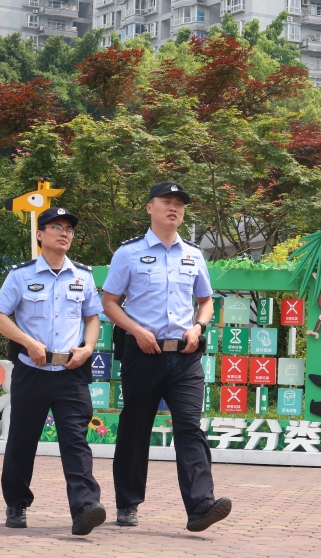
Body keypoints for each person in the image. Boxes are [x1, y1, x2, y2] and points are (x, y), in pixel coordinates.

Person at [102, 181, 232, 533]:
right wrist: (137, 330)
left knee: (189, 427)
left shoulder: (193, 254)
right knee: (135, 427)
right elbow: (109, 303)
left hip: (186, 356)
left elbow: (205, 301)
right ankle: (127, 502)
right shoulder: (128, 253)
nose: (173, 208)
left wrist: (198, 327)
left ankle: (201, 505)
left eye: (179, 204)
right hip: (143, 353)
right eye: (166, 202)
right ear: (149, 207)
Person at [0, 206, 107, 535]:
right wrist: (27, 341)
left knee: (75, 441)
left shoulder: (83, 276)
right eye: (56, 227)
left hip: (70, 372)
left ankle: (84, 508)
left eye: (69, 228)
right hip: (32, 370)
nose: (64, 233)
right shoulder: (21, 275)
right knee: (22, 441)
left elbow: (93, 317)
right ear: (40, 235)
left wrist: (88, 347)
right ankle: (16, 503)